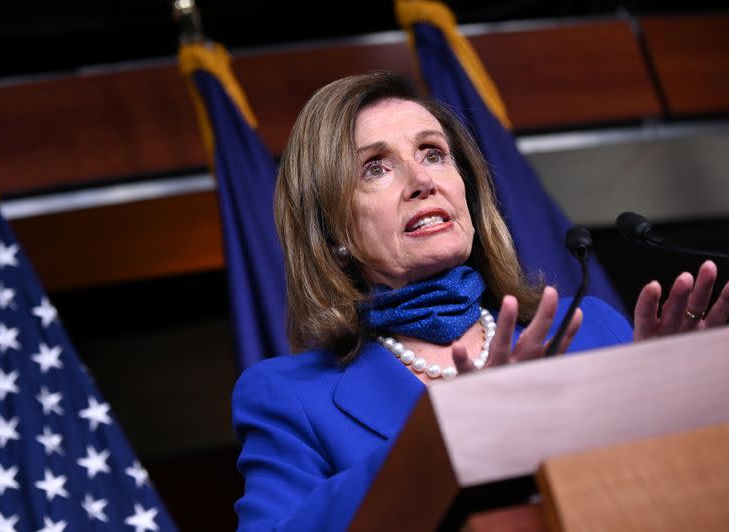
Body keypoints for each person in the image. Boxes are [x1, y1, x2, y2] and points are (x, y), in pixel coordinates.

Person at [231, 71, 729, 531]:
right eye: (375, 168)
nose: (422, 181)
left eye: (432, 153)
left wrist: (677, 397)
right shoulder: (290, 398)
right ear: (332, 231)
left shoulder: (591, 330)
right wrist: (449, 430)